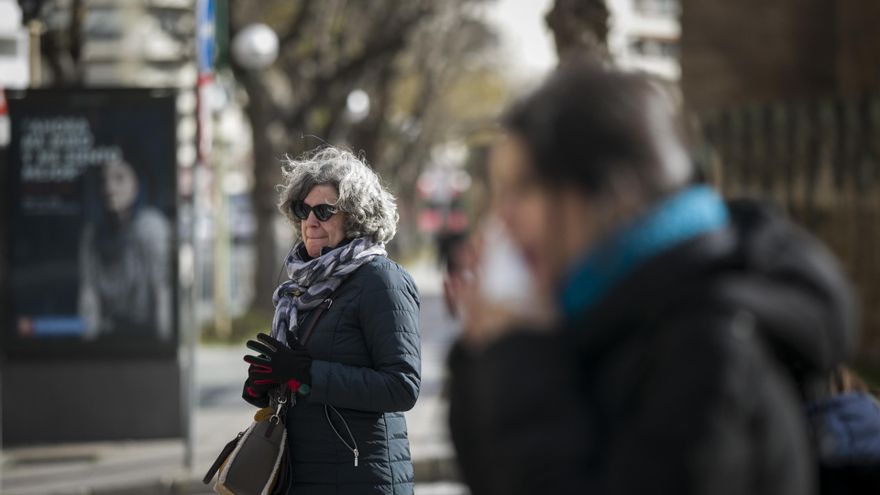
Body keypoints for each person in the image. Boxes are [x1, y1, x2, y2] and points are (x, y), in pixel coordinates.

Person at [445, 59, 860, 494]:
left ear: (607, 194)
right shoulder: (592, 314)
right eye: (499, 192)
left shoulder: (706, 346)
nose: (501, 219)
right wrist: (485, 352)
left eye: (524, 189)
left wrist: (517, 353)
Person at [241, 146, 421, 495]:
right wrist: (267, 382)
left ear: (355, 216)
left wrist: (307, 374)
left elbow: (402, 386)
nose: (310, 221)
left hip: (360, 479)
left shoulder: (380, 280)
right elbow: (302, 385)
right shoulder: (300, 286)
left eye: (324, 211)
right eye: (303, 210)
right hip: (301, 475)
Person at [79, 157, 172, 341]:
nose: (109, 188)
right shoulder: (93, 235)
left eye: (119, 178)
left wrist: (163, 349)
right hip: (106, 341)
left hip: (146, 341)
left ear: (138, 184)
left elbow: (162, 293)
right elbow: (88, 295)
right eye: (103, 181)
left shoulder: (151, 227)